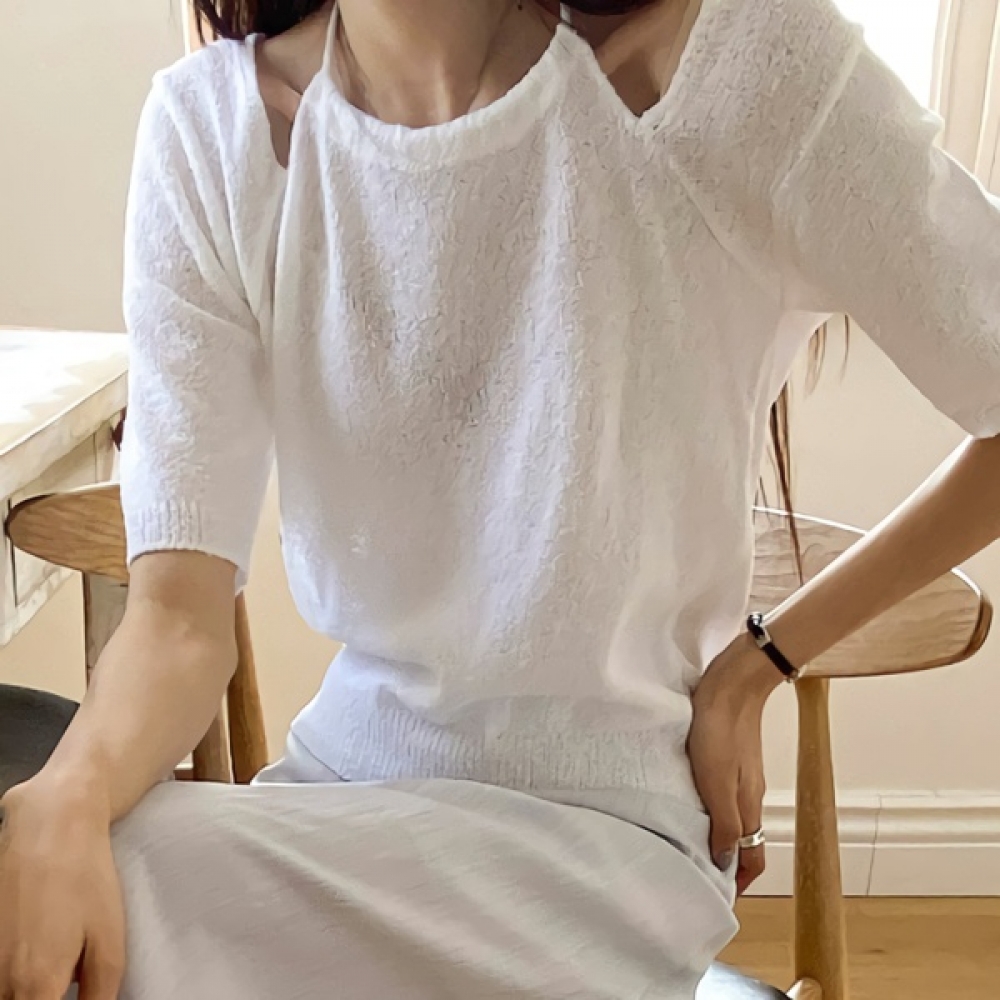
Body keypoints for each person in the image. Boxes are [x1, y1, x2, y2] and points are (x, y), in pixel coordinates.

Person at [2, 0, 999, 996]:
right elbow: (178, 618)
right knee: (53, 893)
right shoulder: (212, 133)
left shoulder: (740, 62)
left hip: (601, 848)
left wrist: (758, 662)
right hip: (337, 799)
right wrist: (70, 794)